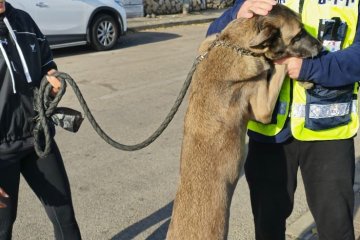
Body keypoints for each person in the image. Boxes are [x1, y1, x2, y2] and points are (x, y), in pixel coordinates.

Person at [207, 0, 360, 239]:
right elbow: (214, 38)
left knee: (336, 230)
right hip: (269, 136)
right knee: (267, 230)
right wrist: (235, 14)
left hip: (329, 134)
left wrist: (314, 68)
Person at [0, 1, 81, 239]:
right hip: (1, 152)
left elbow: (47, 64)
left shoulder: (24, 21)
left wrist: (52, 82)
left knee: (65, 217)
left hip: (38, 137)